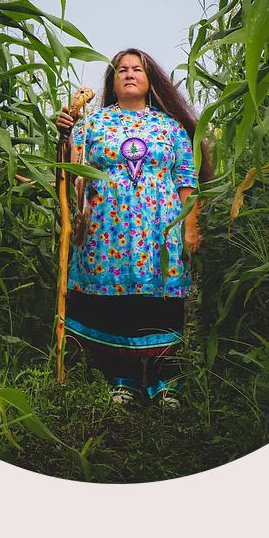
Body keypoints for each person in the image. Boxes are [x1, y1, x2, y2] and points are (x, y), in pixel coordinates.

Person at [55, 48, 211, 408]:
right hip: (105, 228)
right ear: (112, 81)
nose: (128, 74)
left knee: (160, 298)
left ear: (149, 79)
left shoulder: (169, 127)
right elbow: (70, 172)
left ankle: (165, 381)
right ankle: (121, 379)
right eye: (120, 69)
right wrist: (65, 133)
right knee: (115, 302)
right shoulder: (92, 124)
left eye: (136, 69)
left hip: (160, 229)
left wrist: (190, 227)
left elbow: (185, 179)